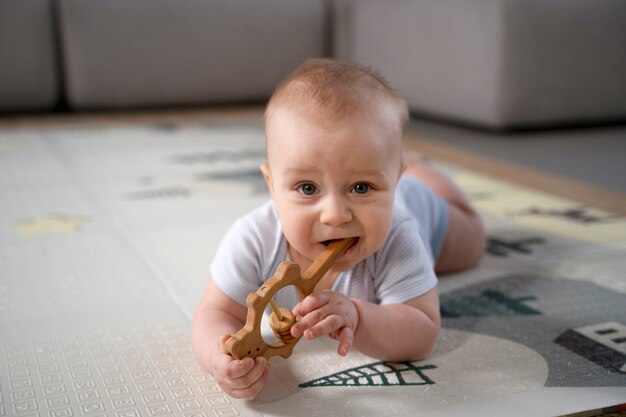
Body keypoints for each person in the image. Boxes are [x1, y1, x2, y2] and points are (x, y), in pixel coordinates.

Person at [192, 58, 485, 399]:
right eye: (307, 188)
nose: (335, 215)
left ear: (393, 181)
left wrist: (359, 317)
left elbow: (422, 331)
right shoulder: (254, 238)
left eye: (361, 187)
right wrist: (219, 356)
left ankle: (419, 172)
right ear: (272, 186)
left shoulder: (399, 236)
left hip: (426, 215)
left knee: (473, 236)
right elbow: (216, 312)